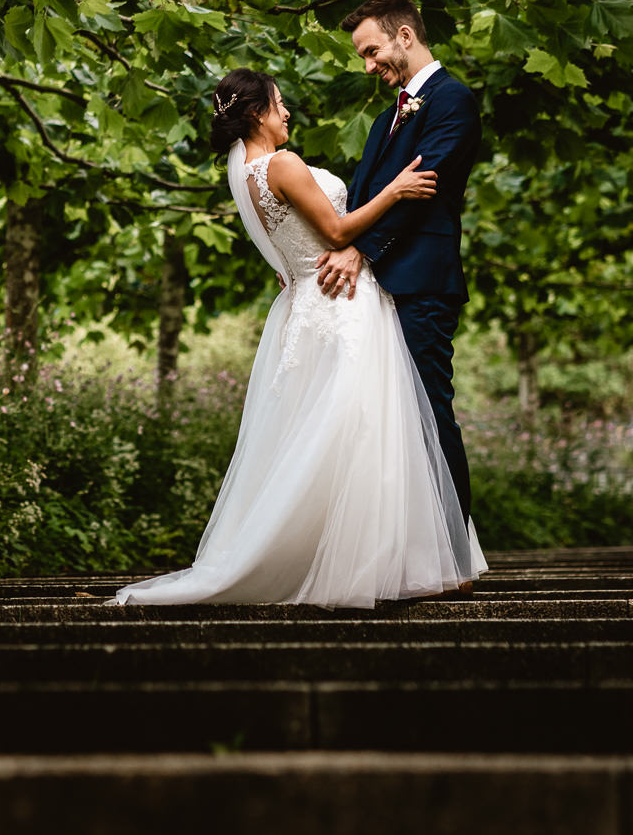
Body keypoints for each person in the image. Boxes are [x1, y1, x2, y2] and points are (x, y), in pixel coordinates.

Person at [110, 67, 485, 607]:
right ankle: (379, 563)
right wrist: (397, 189)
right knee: (367, 434)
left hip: (305, 301)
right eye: (280, 103)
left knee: (328, 435)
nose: (287, 113)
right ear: (259, 112)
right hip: (343, 303)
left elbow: (288, 249)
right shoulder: (282, 163)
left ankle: (360, 557)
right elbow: (336, 232)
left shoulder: (243, 174)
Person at [319, 0, 482, 523]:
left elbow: (425, 187)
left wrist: (359, 251)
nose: (368, 66)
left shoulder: (452, 100)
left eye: (371, 51)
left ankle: (457, 555)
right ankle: (411, 548)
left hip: (421, 284)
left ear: (404, 36)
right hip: (381, 287)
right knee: (389, 420)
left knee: (429, 411)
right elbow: (368, 194)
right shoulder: (384, 119)